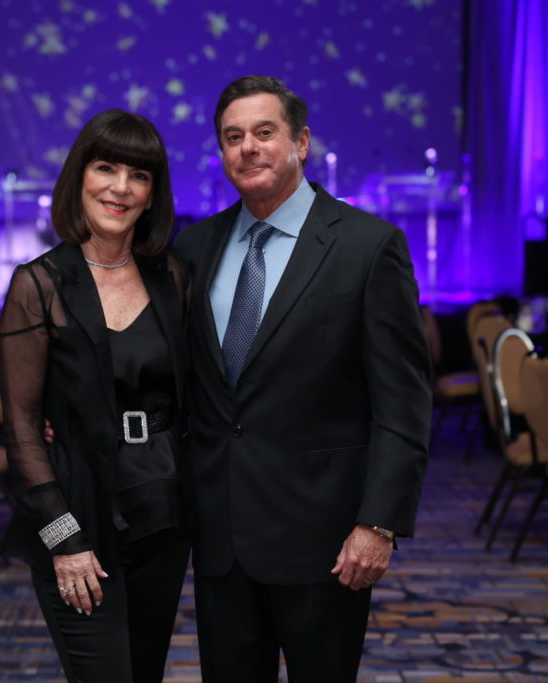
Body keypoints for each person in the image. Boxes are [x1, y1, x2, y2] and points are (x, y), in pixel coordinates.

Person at [173, 75, 431, 682]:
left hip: (328, 540)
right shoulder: (193, 248)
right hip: (222, 537)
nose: (248, 148)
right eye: (233, 137)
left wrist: (379, 522)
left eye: (265, 132)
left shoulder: (369, 247)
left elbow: (403, 403)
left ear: (302, 142)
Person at [0, 109, 191, 683]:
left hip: (162, 517)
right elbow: (23, 429)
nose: (120, 188)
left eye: (139, 175)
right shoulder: (38, 285)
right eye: (106, 168)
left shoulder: (173, 277)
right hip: (77, 517)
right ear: (80, 176)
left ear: (153, 193)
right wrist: (64, 541)